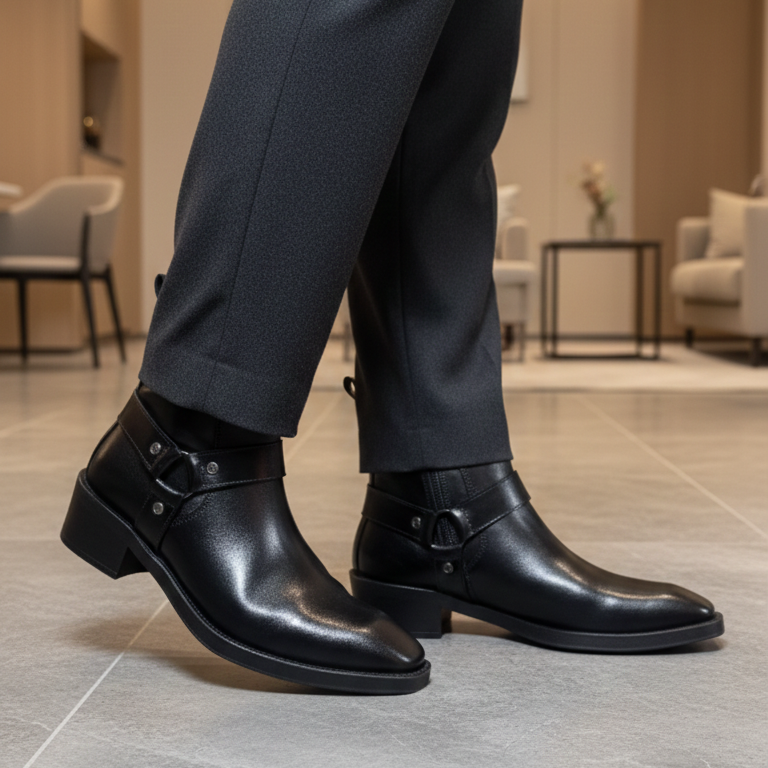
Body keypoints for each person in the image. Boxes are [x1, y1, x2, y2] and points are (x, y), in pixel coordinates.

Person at [60, 0, 723, 695]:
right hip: (190, 444)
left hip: (440, 496)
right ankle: (191, 433)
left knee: (464, 43)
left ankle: (439, 493)